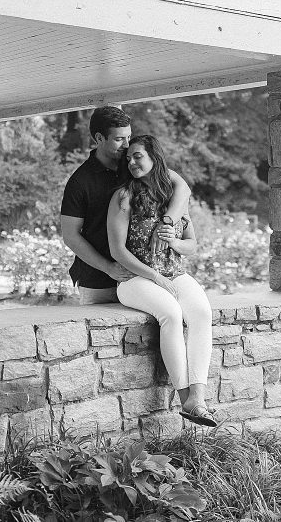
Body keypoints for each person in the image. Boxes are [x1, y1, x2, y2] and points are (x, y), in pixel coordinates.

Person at [107, 134, 216, 427]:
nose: (131, 162)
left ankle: (199, 397)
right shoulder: (123, 197)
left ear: (154, 157)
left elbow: (191, 244)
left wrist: (174, 242)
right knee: (171, 312)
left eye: (137, 156)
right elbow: (117, 250)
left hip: (174, 273)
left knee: (202, 312)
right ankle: (185, 398)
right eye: (128, 158)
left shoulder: (173, 199)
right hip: (134, 279)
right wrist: (155, 277)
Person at [60, 106, 190, 304]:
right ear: (99, 138)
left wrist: (167, 222)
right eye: (119, 139)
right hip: (100, 280)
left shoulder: (134, 165)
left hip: (143, 274)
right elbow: (70, 235)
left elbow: (182, 186)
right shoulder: (80, 181)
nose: (126, 144)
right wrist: (108, 267)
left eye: (128, 137)